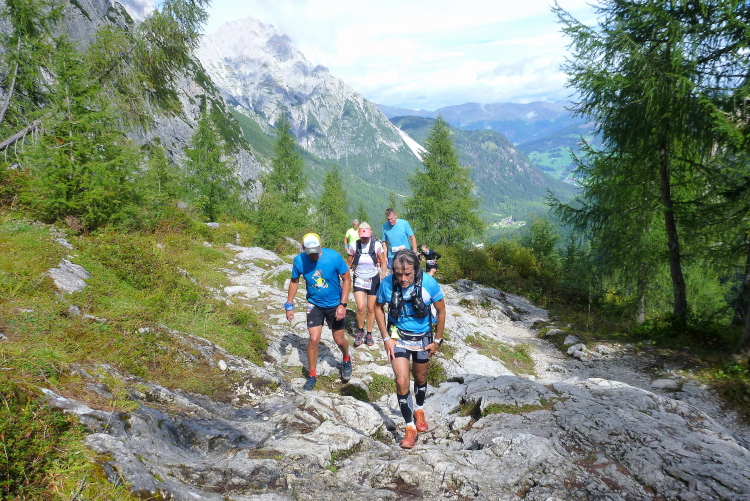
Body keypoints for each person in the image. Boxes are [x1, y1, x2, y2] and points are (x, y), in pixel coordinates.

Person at [374, 250, 446, 449]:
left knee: (420, 377)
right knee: (401, 380)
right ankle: (409, 427)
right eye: (398, 274)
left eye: (407, 274)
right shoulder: (387, 284)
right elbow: (377, 308)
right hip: (397, 336)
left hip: (423, 337)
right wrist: (386, 338)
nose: (403, 279)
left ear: (416, 270)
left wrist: (437, 341)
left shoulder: (429, 284)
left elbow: (441, 310)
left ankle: (419, 409)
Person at [286, 232, 353, 392]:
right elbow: (294, 281)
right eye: (310, 253)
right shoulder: (299, 260)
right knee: (314, 339)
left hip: (334, 304)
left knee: (339, 339)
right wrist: (289, 304)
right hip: (314, 303)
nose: (313, 256)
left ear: (320, 246)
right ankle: (312, 375)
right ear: (303, 249)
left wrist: (343, 304)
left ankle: (346, 357)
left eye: (316, 252)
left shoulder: (333, 257)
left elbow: (347, 279)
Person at [347, 222, 387, 347]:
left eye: (366, 236)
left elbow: (383, 261)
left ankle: (369, 333)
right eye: (362, 236)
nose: (364, 239)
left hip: (373, 279)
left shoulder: (376, 245)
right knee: (360, 307)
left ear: (370, 234)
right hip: (359, 278)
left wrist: (383, 272)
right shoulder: (354, 245)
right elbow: (349, 262)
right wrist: (345, 275)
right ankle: (360, 331)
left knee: (371, 308)